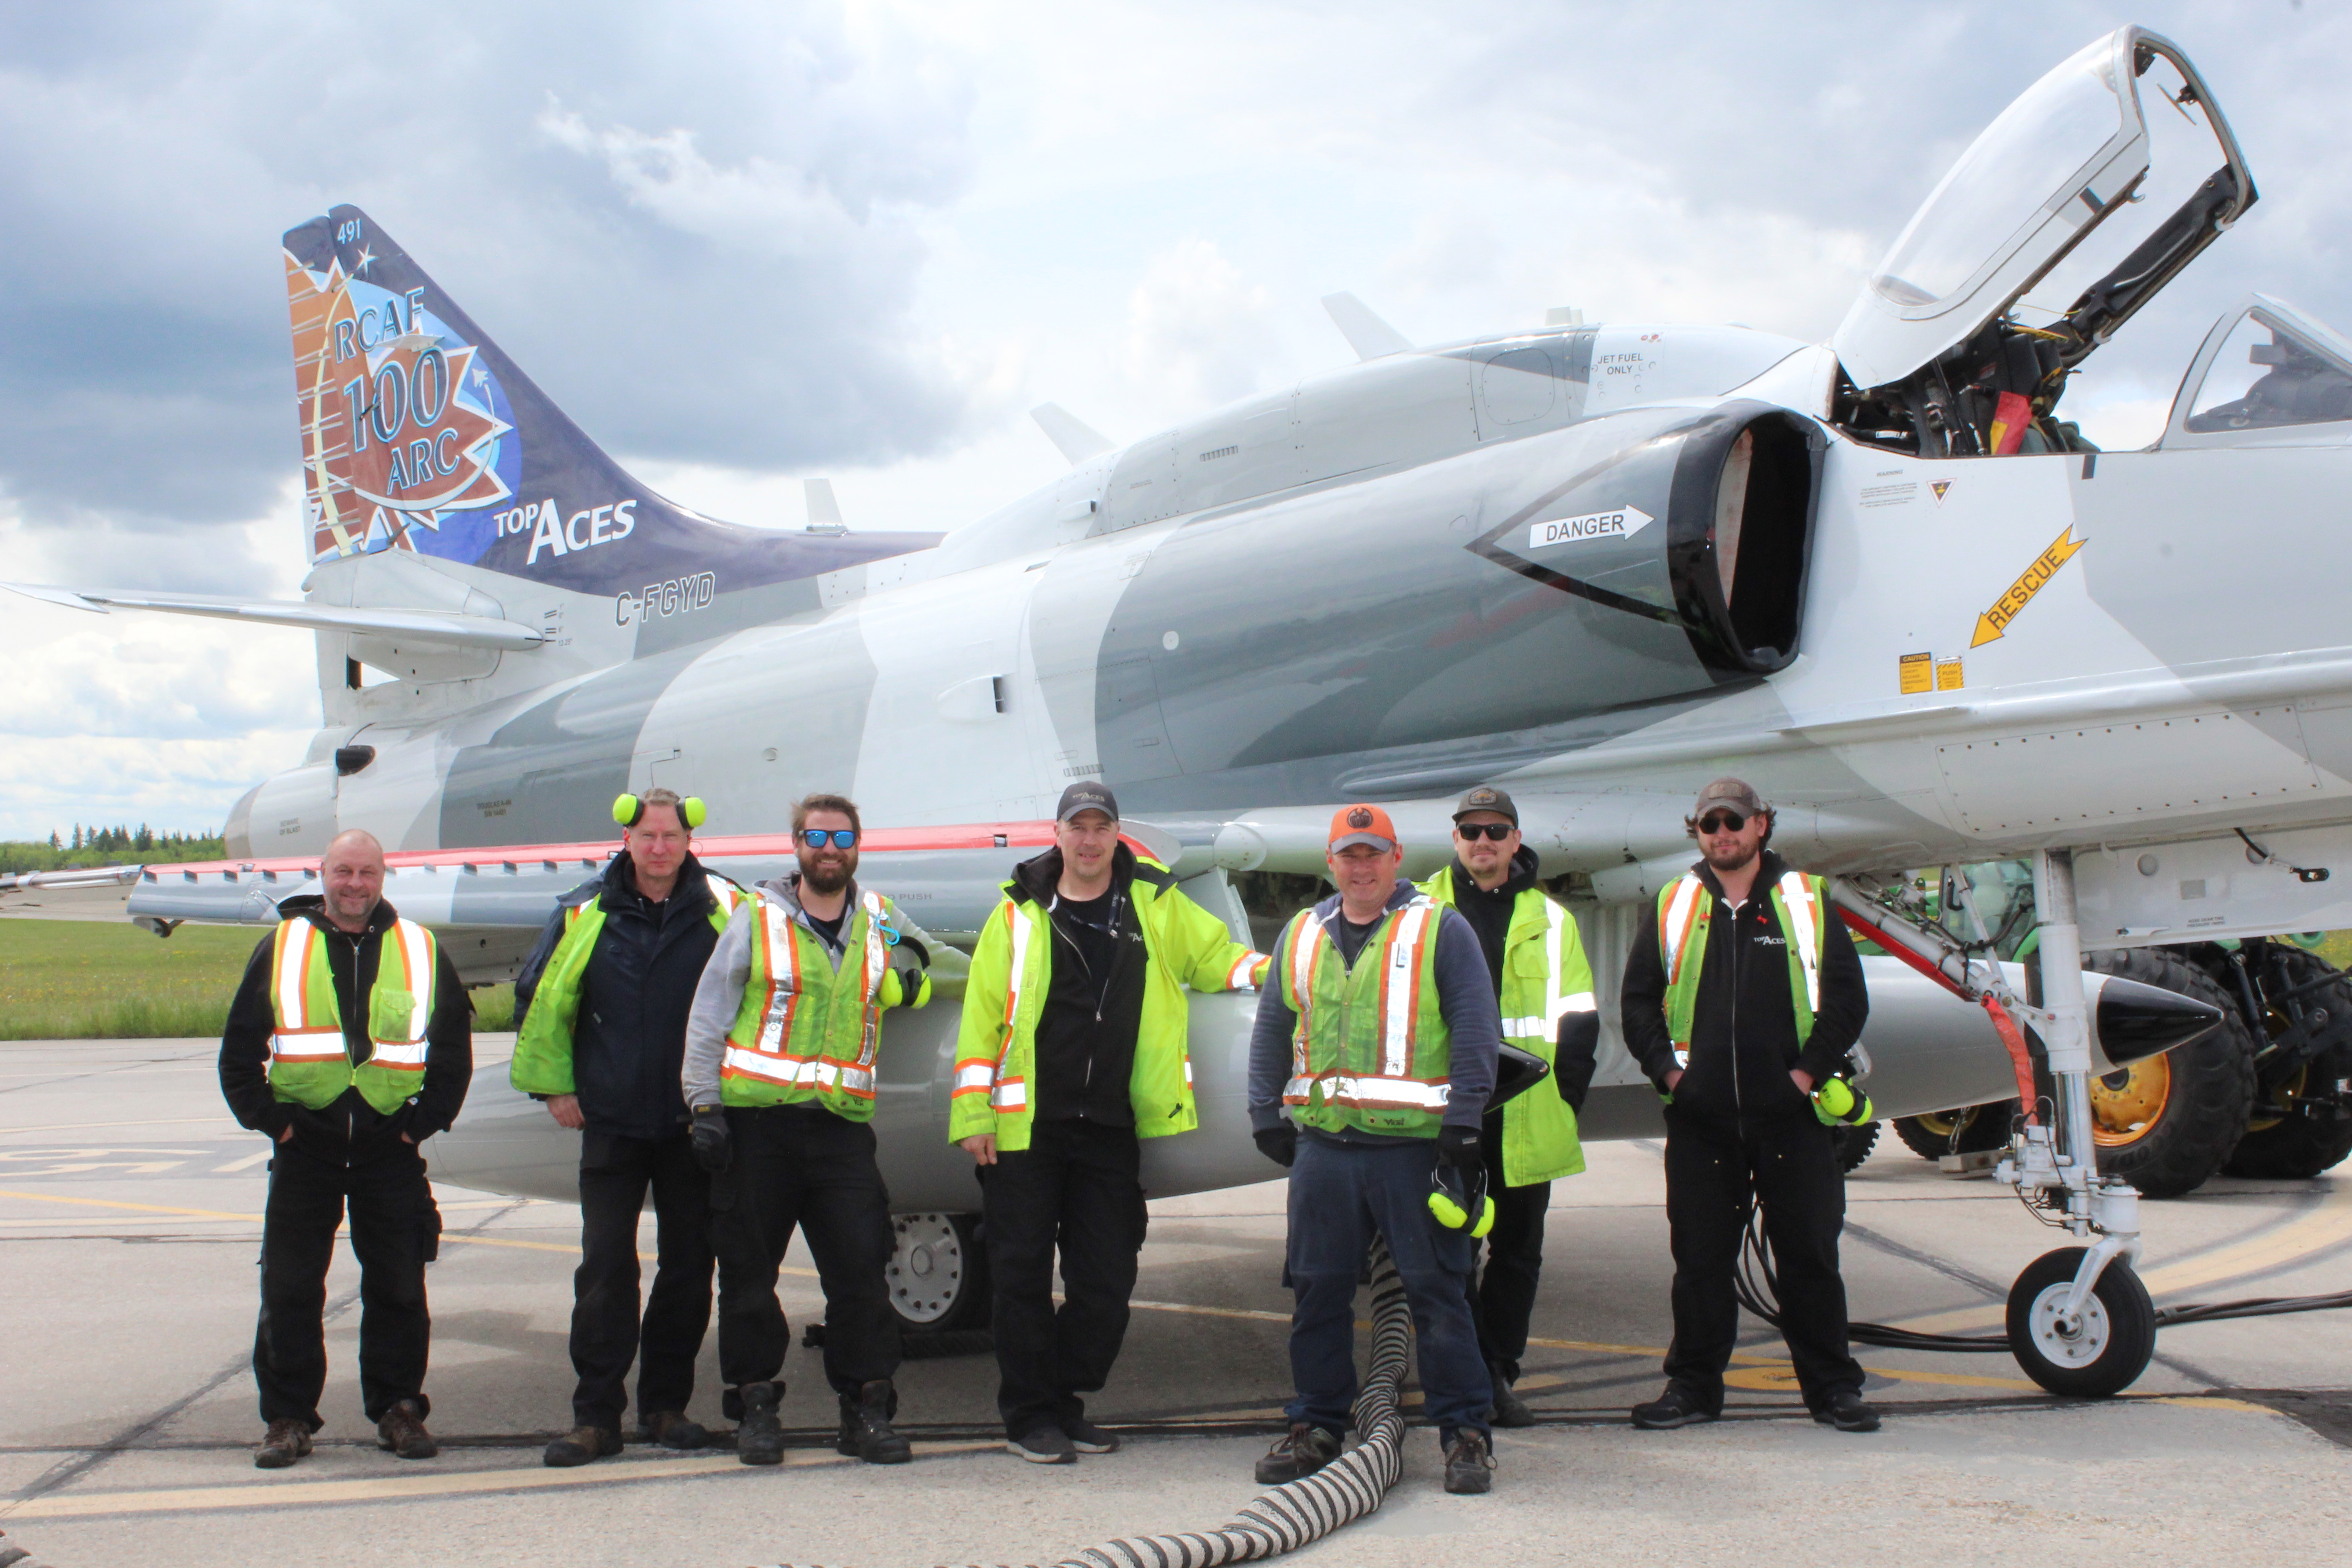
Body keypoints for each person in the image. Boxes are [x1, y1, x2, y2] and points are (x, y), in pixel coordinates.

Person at [953, 781, 1269, 1464]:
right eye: (1078, 827)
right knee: (1022, 1278)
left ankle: (1064, 1396)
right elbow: (982, 1019)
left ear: (1116, 834)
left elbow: (1218, 960)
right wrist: (972, 1114)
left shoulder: (1153, 903)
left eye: (1102, 828)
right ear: (1059, 835)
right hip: (1024, 1130)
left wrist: (1283, 971)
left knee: (1106, 1281)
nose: (1090, 840)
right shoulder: (1017, 915)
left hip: (1109, 1127)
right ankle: (1031, 1417)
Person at [1247, 804, 1504, 1496]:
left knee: (1438, 1293)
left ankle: (1466, 1432)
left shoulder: (1438, 928)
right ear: (1330, 864)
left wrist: (1465, 1123)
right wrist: (1264, 1111)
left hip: (1411, 1148)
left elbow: (1477, 1028)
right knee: (1318, 1290)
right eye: (1348, 855)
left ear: (1396, 859)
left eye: (1374, 854)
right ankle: (1319, 1424)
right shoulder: (1304, 933)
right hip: (1325, 1148)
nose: (1361, 868)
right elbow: (1274, 1026)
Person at [1619, 778, 1878, 1433]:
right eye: (1710, 824)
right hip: (1703, 1121)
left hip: (1791, 1116)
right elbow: (1639, 1002)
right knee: (1700, 1263)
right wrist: (1672, 1078)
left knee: (1809, 1258)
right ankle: (1694, 1390)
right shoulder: (1675, 903)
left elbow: (1848, 1001)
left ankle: (1832, 1391)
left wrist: (1803, 1076)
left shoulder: (1807, 901)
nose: (1722, 833)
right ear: (1697, 832)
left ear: (1763, 825)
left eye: (1734, 820)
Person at [681, 793, 932, 1467]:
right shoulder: (756, 918)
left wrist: (916, 977)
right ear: (796, 845)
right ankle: (757, 1410)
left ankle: (867, 1410)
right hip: (757, 1129)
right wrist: (704, 1107)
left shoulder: (880, 919)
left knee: (860, 1276)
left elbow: (934, 963)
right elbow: (709, 1016)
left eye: (841, 836)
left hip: (841, 1131)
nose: (829, 848)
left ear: (857, 846)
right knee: (748, 1279)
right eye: (815, 836)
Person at [218, 828, 472, 1470]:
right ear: (322, 875)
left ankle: (398, 1409)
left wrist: (422, 1125)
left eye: (366, 872)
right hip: (307, 1148)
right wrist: (273, 1124)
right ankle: (287, 1418)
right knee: (291, 1289)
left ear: (383, 878)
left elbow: (451, 1052)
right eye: (342, 872)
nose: (353, 884)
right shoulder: (282, 946)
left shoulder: (419, 948)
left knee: (399, 1288)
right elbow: (239, 1053)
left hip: (390, 1149)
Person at [510, 788, 748, 1467]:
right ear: (627, 838)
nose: (660, 848)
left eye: (671, 836)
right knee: (607, 1270)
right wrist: (554, 1084)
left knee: (687, 1269)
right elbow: (542, 993)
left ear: (688, 840)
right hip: (611, 1119)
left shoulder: (726, 910)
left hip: (690, 1121)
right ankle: (596, 1418)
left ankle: (666, 1407)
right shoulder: (586, 911)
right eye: (648, 836)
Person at [1416, 785, 1598, 1428]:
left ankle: (1498, 1371)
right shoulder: (1418, 909)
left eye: (1497, 832)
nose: (1483, 843)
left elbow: (1579, 1018)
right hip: (1447, 1113)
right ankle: (1465, 1374)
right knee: (1450, 1254)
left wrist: (1564, 1100)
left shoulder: (1553, 922)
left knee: (1518, 1253)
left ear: (1516, 841)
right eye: (1471, 832)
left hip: (1526, 1113)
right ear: (1456, 839)